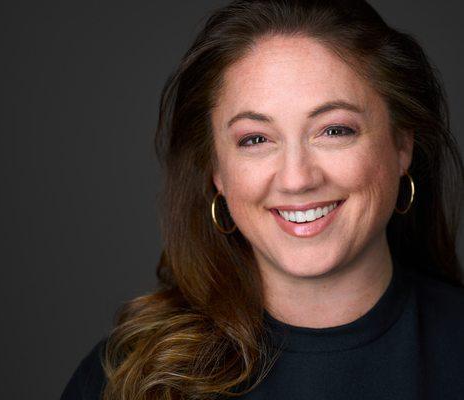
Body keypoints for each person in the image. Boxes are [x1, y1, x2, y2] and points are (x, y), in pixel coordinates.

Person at [60, 0, 464, 399]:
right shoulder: (124, 376)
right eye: (255, 139)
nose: (297, 179)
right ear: (217, 171)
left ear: (401, 145)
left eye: (335, 130)